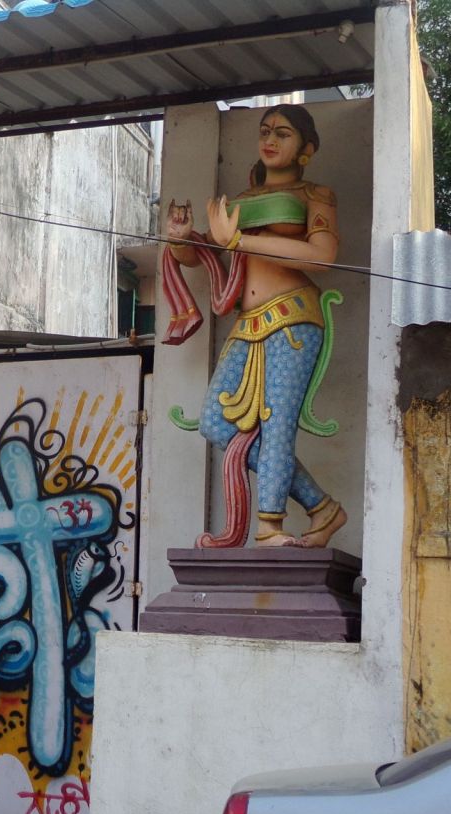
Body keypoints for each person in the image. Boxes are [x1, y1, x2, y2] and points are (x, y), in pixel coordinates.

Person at [166, 105, 346, 548]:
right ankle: (322, 507)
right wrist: (181, 241)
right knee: (215, 422)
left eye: (283, 133)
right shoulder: (239, 201)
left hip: (293, 318)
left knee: (276, 424)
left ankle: (270, 527)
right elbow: (208, 256)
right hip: (247, 322)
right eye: (265, 131)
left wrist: (241, 239)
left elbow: (323, 256)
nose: (270, 140)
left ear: (306, 148)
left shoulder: (315, 194)